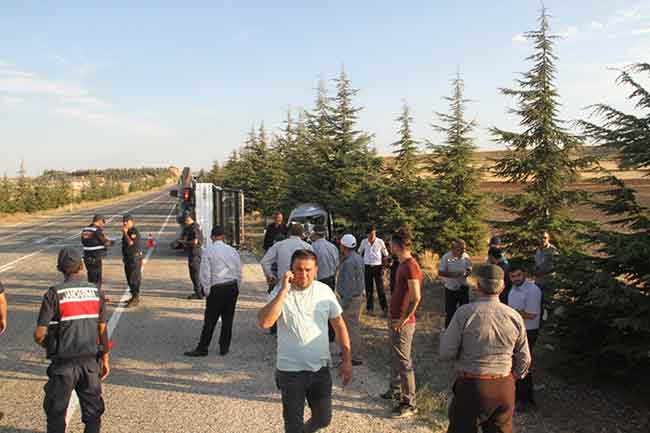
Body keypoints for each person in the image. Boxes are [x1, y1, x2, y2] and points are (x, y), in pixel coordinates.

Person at [258, 249, 352, 433]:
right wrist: (284, 290)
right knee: (293, 425)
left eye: (308, 269)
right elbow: (265, 322)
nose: (304, 274)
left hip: (320, 370)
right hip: (290, 372)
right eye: (299, 269)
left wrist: (347, 360)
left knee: (323, 419)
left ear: (316, 270)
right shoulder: (281, 292)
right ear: (291, 270)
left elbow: (339, 326)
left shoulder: (324, 291)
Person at [440, 264, 531, 433]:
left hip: (471, 386)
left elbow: (446, 353)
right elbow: (525, 358)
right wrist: (512, 378)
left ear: (478, 286)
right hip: (504, 386)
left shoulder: (464, 313)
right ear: (503, 287)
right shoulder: (514, 317)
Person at [34, 248, 110, 433]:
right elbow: (102, 329)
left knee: (56, 413)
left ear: (60, 268)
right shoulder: (96, 292)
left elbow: (39, 334)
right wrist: (106, 358)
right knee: (93, 414)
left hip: (63, 364)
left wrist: (51, 345)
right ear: (82, 266)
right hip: (90, 363)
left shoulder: (53, 294)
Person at [380, 228, 422, 419]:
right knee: (395, 356)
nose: (389, 247)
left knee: (404, 362)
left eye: (390, 244)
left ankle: (409, 403)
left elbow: (416, 297)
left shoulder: (411, 266)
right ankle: (395, 390)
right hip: (395, 318)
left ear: (396, 245)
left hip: (403, 322)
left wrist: (404, 319)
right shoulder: (402, 264)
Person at [185, 226, 242, 357]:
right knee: (228, 319)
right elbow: (239, 271)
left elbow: (204, 273)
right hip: (232, 287)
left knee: (210, 320)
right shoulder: (233, 251)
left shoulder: (208, 251)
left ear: (212, 237)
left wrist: (207, 290)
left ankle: (203, 347)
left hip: (217, 288)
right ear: (223, 236)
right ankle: (224, 348)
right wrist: (238, 286)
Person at [261, 223, 312, 335]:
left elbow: (265, 261)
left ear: (289, 233)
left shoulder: (279, 245)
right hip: (302, 284)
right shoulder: (307, 247)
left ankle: (281, 334)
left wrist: (270, 275)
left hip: (283, 284)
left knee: (280, 310)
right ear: (302, 234)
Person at [508, 261, 542, 411]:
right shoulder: (514, 288)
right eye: (512, 276)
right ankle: (515, 395)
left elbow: (531, 314)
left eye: (518, 275)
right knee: (515, 361)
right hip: (515, 329)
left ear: (524, 274)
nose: (515, 279)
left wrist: (511, 312)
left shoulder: (532, 290)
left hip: (528, 331)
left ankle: (527, 400)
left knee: (524, 362)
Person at [336, 234, 364, 366]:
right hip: (356, 297)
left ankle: (355, 356)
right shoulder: (358, 258)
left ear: (344, 246)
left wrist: (344, 303)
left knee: (351, 327)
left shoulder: (348, 263)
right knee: (351, 326)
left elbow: (348, 284)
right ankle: (349, 352)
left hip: (350, 299)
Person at [310, 225, 340, 342]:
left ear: (316, 234)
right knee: (329, 306)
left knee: (317, 308)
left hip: (318, 280)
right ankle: (331, 335)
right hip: (331, 280)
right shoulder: (333, 247)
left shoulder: (312, 247)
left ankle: (319, 334)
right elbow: (337, 264)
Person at [439, 239, 473, 328]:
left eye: (464, 248)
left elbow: (470, 267)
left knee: (465, 311)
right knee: (450, 312)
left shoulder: (466, 256)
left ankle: (463, 330)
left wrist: (467, 272)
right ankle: (448, 331)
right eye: (461, 248)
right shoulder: (446, 257)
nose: (464, 251)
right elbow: (440, 272)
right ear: (454, 249)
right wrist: (453, 274)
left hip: (463, 287)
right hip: (451, 289)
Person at [358, 225, 389, 315]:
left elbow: (386, 254)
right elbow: (359, 253)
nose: (372, 235)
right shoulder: (364, 242)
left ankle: (385, 309)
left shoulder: (380, 242)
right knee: (368, 289)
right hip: (367, 267)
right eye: (370, 234)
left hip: (378, 267)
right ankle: (369, 309)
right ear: (367, 234)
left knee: (380, 289)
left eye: (373, 233)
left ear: (375, 232)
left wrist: (386, 265)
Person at [81, 214, 113, 290]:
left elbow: (83, 241)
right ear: (99, 221)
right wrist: (112, 242)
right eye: (102, 222)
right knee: (97, 280)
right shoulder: (97, 230)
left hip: (87, 257)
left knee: (91, 278)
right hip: (95, 258)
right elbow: (105, 242)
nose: (103, 225)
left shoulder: (85, 230)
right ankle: (97, 297)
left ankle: (93, 294)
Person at [179, 213, 204, 299]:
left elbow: (195, 242)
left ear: (188, 219)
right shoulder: (193, 226)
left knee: (194, 274)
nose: (184, 224)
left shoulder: (194, 227)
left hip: (195, 253)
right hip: (195, 252)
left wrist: (184, 242)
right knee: (196, 273)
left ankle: (198, 293)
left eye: (184, 222)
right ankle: (201, 291)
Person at [121, 214, 143, 308]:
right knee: (129, 278)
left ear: (131, 222)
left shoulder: (134, 231)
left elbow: (130, 243)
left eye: (127, 221)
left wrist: (125, 233)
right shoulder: (128, 231)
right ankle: (133, 296)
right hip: (128, 259)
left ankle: (136, 298)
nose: (125, 223)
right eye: (123, 221)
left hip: (134, 259)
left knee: (134, 279)